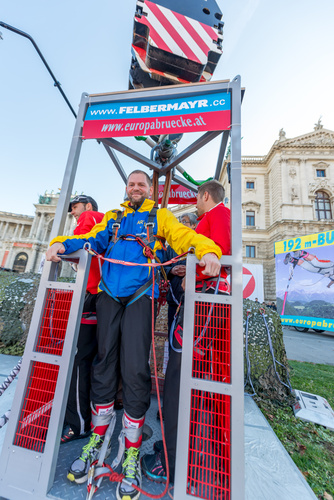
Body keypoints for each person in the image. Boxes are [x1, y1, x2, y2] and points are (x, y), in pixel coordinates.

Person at [46, 170, 222, 500]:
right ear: (126, 189)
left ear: (150, 189)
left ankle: (131, 451)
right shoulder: (113, 217)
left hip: (142, 294)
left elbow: (185, 237)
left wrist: (208, 250)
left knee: (135, 369)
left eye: (142, 184)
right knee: (103, 364)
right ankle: (97, 438)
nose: (136, 188)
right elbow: (88, 240)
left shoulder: (161, 215)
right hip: (109, 296)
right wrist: (58, 244)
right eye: (132, 184)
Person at [141, 179, 231, 484]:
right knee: (187, 378)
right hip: (204, 308)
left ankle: (170, 459)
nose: (196, 203)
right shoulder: (219, 218)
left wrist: (188, 267)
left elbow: (215, 259)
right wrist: (186, 264)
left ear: (205, 196)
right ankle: (183, 450)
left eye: (197, 198)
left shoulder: (216, 217)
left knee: (178, 380)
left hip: (200, 310)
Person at [61, 195, 104, 444]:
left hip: (90, 296)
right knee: (95, 360)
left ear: (87, 206)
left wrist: (60, 247)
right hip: (104, 298)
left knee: (79, 361)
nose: (74, 215)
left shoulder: (89, 217)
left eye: (75, 208)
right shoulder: (105, 221)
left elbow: (77, 244)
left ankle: (78, 423)